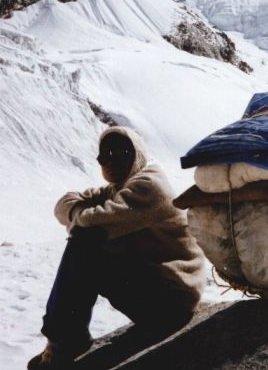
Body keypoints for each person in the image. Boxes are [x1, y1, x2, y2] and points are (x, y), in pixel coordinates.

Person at [28, 126, 206, 369]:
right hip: (163, 294)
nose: (111, 161)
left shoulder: (147, 186)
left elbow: (87, 225)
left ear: (137, 154)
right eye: (105, 156)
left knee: (85, 244)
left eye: (121, 153)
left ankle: (65, 342)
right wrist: (78, 213)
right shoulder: (119, 186)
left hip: (172, 302)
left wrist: (77, 215)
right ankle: (66, 338)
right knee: (87, 243)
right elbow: (64, 202)